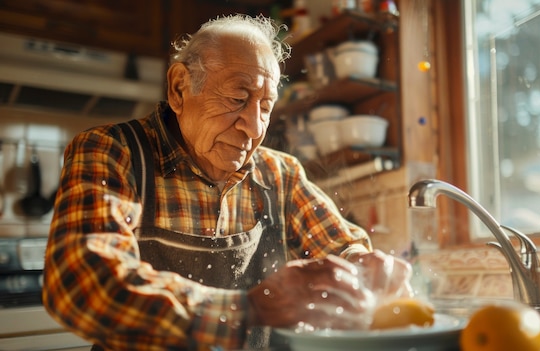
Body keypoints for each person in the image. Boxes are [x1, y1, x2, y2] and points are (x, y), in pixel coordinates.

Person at [42, 14, 413, 351]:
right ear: (178, 89)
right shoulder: (112, 152)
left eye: (265, 106)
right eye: (238, 98)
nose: (254, 128)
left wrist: (362, 265)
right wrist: (249, 308)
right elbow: (82, 284)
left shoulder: (280, 174)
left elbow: (339, 243)